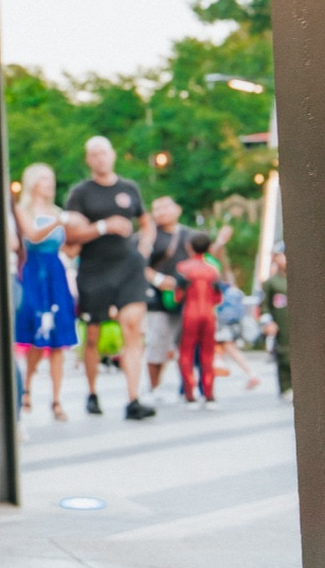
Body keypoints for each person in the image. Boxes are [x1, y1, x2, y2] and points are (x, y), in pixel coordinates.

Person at [63, 136, 156, 420]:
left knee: (132, 330)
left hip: (128, 267)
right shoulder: (80, 193)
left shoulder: (129, 189)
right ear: (88, 160)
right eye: (94, 154)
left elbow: (146, 222)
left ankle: (133, 399)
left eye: (104, 152)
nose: (100, 158)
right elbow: (71, 235)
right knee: (93, 335)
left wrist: (143, 250)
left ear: (113, 155)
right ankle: (92, 392)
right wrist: (103, 226)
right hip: (94, 269)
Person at [12, 163, 74, 421]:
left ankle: (57, 399)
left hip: (55, 271)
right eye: (44, 179)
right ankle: (27, 387)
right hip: (34, 271)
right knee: (37, 331)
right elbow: (34, 236)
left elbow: (67, 243)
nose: (49, 184)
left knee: (59, 337)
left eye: (51, 179)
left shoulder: (57, 210)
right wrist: (59, 221)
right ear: (33, 183)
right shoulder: (22, 209)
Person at [143, 196, 191, 396]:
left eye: (166, 207)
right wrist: (158, 279)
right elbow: (138, 264)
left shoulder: (190, 235)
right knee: (158, 343)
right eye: (157, 208)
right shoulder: (148, 236)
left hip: (187, 298)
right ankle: (154, 387)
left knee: (187, 345)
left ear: (177, 209)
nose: (161, 212)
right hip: (157, 299)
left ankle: (187, 386)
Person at [176, 230, 225, 408]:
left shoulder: (183, 268)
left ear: (189, 247)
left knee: (186, 354)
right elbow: (218, 297)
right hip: (209, 314)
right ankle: (209, 395)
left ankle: (190, 395)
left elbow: (177, 296)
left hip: (190, 313)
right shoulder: (213, 270)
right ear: (209, 247)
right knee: (207, 355)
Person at [262, 247, 292, 398]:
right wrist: (268, 322)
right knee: (283, 352)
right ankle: (285, 387)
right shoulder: (271, 283)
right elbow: (264, 305)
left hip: (297, 323)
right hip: (281, 321)